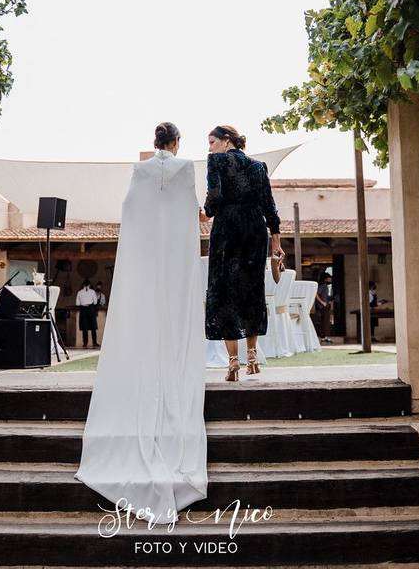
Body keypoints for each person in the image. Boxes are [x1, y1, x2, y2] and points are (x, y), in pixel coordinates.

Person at [76, 122, 208, 525]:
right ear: (177, 142)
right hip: (175, 263)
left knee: (145, 317)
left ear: (154, 143)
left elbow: (132, 214)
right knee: (173, 317)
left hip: (147, 261)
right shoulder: (186, 169)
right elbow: (190, 217)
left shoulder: (141, 170)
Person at [204, 125, 282, 381]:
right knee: (251, 290)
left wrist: (207, 209)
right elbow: (269, 206)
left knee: (224, 292)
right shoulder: (259, 166)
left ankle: (233, 362)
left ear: (227, 141)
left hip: (227, 229)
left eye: (212, 141)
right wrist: (276, 242)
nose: (210, 147)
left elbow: (214, 198)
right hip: (254, 230)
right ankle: (252, 358)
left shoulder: (216, 161)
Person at [75, 279, 99, 348]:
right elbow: (95, 302)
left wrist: (83, 302)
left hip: (83, 309)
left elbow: (77, 303)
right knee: (93, 327)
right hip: (90, 309)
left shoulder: (79, 292)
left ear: (83, 285)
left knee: (85, 327)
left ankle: (85, 343)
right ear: (89, 285)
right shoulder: (92, 292)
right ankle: (94, 343)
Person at [314, 273, 334, 344]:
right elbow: (316, 294)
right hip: (323, 306)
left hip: (325, 305)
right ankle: (324, 337)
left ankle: (324, 337)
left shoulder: (325, 286)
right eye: (329, 278)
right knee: (325, 321)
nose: (330, 279)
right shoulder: (323, 286)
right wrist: (322, 302)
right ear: (325, 279)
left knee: (325, 321)